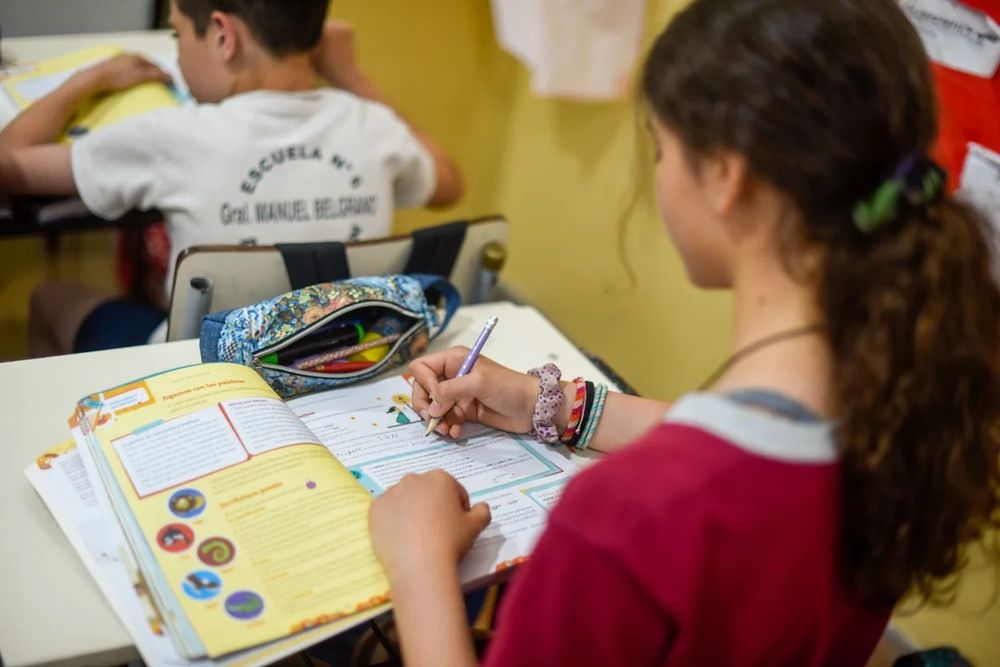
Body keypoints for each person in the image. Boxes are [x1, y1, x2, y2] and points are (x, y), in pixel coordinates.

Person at [367, 0, 1000, 665]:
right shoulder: (899, 408)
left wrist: (419, 566)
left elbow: (699, 487)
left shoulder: (622, 521)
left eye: (662, 148)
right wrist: (541, 401)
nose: (659, 174)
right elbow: (743, 465)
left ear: (727, 176)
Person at [0, 0, 462, 356]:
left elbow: (11, 164)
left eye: (178, 34)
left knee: (49, 300)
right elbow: (448, 184)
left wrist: (90, 79)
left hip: (203, 371)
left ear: (223, 35)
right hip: (345, 352)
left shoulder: (172, 135)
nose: (178, 56)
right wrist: (352, 75)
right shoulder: (373, 126)